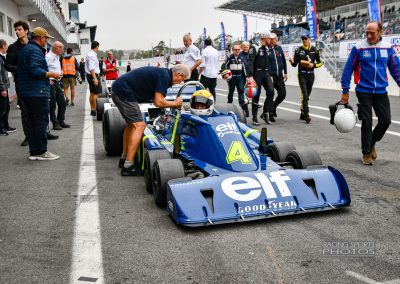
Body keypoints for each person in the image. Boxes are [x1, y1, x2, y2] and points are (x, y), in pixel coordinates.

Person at [111, 64, 190, 176]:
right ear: (178, 74)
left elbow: (156, 100)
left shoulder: (162, 73)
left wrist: (171, 104)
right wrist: (175, 103)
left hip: (119, 89)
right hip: (124, 92)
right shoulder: (165, 77)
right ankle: (128, 166)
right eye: (182, 79)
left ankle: (124, 159)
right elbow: (158, 102)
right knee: (140, 126)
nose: (180, 82)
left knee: (131, 125)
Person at [340, 21, 400, 165]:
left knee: (385, 120)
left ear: (380, 32)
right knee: (366, 121)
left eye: (372, 33)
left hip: (381, 91)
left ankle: (371, 142)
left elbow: (396, 69)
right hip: (363, 90)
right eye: (366, 32)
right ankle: (366, 152)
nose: (368, 35)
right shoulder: (359, 48)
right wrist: (345, 90)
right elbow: (348, 68)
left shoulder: (387, 48)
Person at [16, 27, 61, 161]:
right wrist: (52, 74)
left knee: (32, 122)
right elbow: (35, 71)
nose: (46, 41)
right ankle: (41, 151)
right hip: (37, 92)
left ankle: (34, 151)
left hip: (27, 92)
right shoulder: (35, 50)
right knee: (41, 122)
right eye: (46, 39)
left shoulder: (26, 49)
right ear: (41, 38)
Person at [4, 20, 29, 146]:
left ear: (26, 31)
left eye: (19, 29)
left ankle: (44, 132)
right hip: (21, 83)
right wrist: (20, 69)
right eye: (16, 30)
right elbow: (7, 65)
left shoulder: (34, 45)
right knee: (25, 111)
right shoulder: (13, 47)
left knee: (40, 110)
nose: (17, 32)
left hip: (36, 82)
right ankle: (28, 137)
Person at [289, 34, 324, 123]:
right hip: (302, 75)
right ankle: (306, 115)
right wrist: (291, 61)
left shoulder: (314, 50)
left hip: (311, 75)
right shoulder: (298, 50)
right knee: (304, 94)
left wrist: (314, 65)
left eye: (305, 39)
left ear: (309, 40)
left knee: (307, 96)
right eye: (302, 39)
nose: (304, 40)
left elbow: (321, 63)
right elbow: (294, 64)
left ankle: (302, 112)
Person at [247, 32, 275, 125]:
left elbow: (268, 62)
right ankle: (254, 118)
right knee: (256, 95)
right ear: (264, 38)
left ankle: (265, 113)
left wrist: (270, 75)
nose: (270, 40)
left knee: (271, 91)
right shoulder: (255, 47)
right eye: (269, 38)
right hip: (257, 74)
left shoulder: (267, 48)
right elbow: (250, 61)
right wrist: (250, 76)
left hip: (266, 73)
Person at [46, 41, 69, 130]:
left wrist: (60, 72)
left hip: (57, 82)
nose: (63, 50)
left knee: (62, 102)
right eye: (62, 48)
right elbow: (44, 69)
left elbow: (55, 68)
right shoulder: (48, 57)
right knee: (52, 104)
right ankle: (55, 123)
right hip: (51, 82)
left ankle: (61, 121)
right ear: (56, 48)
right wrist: (47, 80)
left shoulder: (57, 56)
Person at [223, 44, 248, 116]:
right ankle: (229, 108)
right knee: (231, 91)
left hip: (240, 78)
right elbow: (224, 66)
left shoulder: (242, 57)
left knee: (241, 91)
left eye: (238, 49)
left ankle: (242, 109)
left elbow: (245, 68)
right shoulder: (230, 57)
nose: (237, 51)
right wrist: (226, 73)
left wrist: (247, 77)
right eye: (235, 50)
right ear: (233, 50)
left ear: (240, 50)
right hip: (232, 78)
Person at [267, 33, 288, 119]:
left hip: (279, 75)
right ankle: (270, 114)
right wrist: (268, 75)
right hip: (270, 76)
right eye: (271, 39)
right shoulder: (266, 49)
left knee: (282, 94)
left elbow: (283, 60)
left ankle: (274, 107)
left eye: (274, 39)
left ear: (276, 39)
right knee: (271, 94)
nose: (272, 40)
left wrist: (285, 73)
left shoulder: (279, 48)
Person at [0, 39, 16, 136]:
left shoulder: (2, 57)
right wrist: (2, 88)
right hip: (2, 88)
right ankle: (1, 128)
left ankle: (6, 126)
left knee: (6, 108)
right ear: (2, 46)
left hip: (4, 87)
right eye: (6, 46)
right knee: (2, 109)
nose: (7, 47)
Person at [85, 41, 102, 116]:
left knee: (92, 93)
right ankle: (95, 110)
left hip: (90, 75)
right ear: (97, 47)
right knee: (96, 93)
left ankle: (92, 109)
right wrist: (95, 78)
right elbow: (92, 68)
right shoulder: (92, 55)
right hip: (93, 75)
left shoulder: (90, 54)